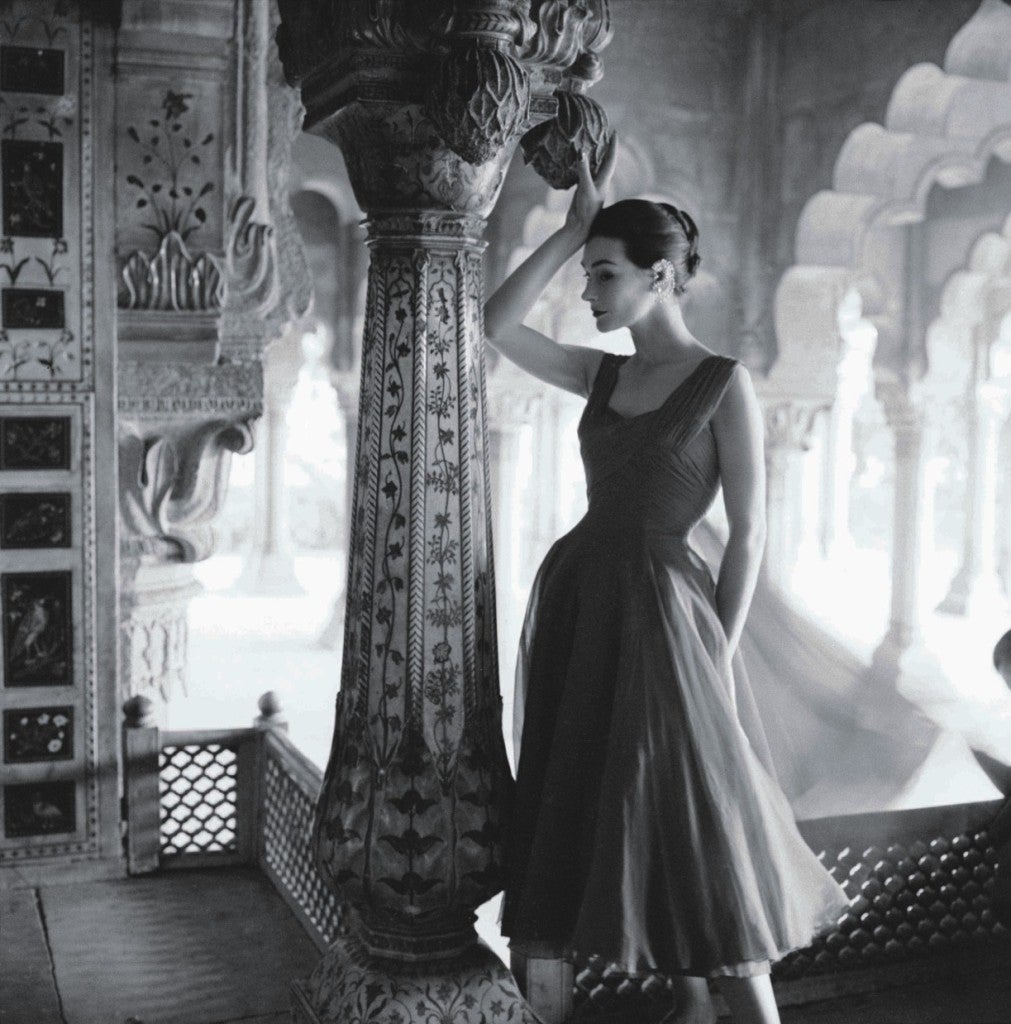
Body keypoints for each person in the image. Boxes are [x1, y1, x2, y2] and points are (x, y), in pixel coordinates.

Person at [483, 141, 850, 1024]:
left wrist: (717, 652)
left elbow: (752, 534)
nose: (586, 292)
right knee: (605, 787)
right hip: (582, 597)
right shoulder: (601, 372)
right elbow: (494, 325)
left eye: (602, 275)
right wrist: (572, 232)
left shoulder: (723, 384)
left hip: (669, 612)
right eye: (586, 274)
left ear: (658, 277)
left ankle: (748, 1012)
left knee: (695, 813)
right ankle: (689, 1004)